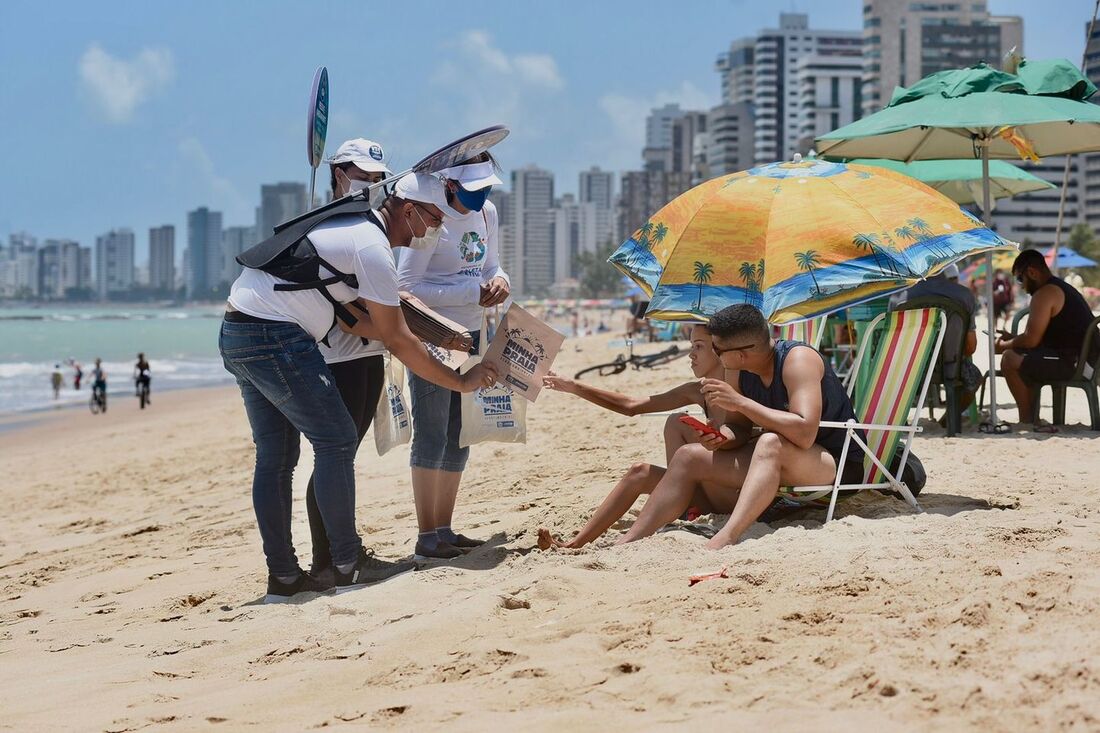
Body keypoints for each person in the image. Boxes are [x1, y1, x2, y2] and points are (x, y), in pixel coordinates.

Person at [221, 171, 498, 601]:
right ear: (409, 211)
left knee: (277, 457)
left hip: (237, 329)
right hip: (274, 335)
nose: (438, 228)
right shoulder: (372, 247)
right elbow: (396, 338)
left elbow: (356, 319)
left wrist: (438, 339)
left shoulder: (352, 229)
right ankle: (347, 564)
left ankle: (285, 579)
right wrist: (459, 381)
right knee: (335, 441)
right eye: (435, 219)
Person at [614, 304, 864, 550]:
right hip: (780, 458)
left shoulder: (798, 360)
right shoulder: (737, 370)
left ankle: (727, 536)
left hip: (834, 464)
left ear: (741, 354)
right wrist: (722, 438)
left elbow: (805, 432)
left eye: (717, 349)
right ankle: (628, 541)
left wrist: (742, 403)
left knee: (770, 442)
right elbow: (738, 427)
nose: (715, 355)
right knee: (688, 456)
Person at [397, 154, 510, 560]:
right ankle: (426, 533)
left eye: (485, 191)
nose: (480, 198)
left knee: (460, 431)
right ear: (449, 187)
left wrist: (499, 281)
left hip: (473, 333)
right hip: (433, 335)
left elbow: (491, 264)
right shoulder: (430, 219)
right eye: (471, 191)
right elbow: (406, 288)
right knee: (432, 428)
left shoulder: (487, 213)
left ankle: (444, 527)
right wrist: (470, 294)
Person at [538, 323, 728, 549]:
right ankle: (574, 544)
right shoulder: (698, 390)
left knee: (686, 445)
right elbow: (632, 406)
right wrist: (573, 387)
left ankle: (624, 543)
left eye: (698, 346)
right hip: (710, 492)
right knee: (647, 461)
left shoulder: (743, 387)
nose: (691, 354)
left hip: (734, 493)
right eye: (691, 345)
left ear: (719, 350)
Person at [303, 139, 394, 584]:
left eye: (379, 178)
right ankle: (333, 559)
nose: (372, 185)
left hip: (369, 352)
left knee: (341, 456)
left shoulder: (371, 223)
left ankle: (335, 558)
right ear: (339, 174)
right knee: (334, 456)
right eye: (363, 175)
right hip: (334, 354)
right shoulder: (322, 224)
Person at [996, 249, 1100, 432]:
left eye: (1020, 279)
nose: (1021, 285)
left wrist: (1003, 345)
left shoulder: (1045, 293)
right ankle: (1031, 416)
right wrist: (1013, 339)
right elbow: (1044, 337)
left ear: (1032, 273)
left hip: (1077, 364)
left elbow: (1030, 341)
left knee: (1009, 359)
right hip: (1083, 360)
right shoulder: (1059, 287)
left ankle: (1028, 420)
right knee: (1020, 357)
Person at [890, 264, 981, 422]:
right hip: (952, 368)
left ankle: (897, 422)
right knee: (975, 376)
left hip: (907, 369)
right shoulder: (964, 295)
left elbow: (892, 344)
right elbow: (971, 347)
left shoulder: (898, 297)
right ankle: (950, 420)